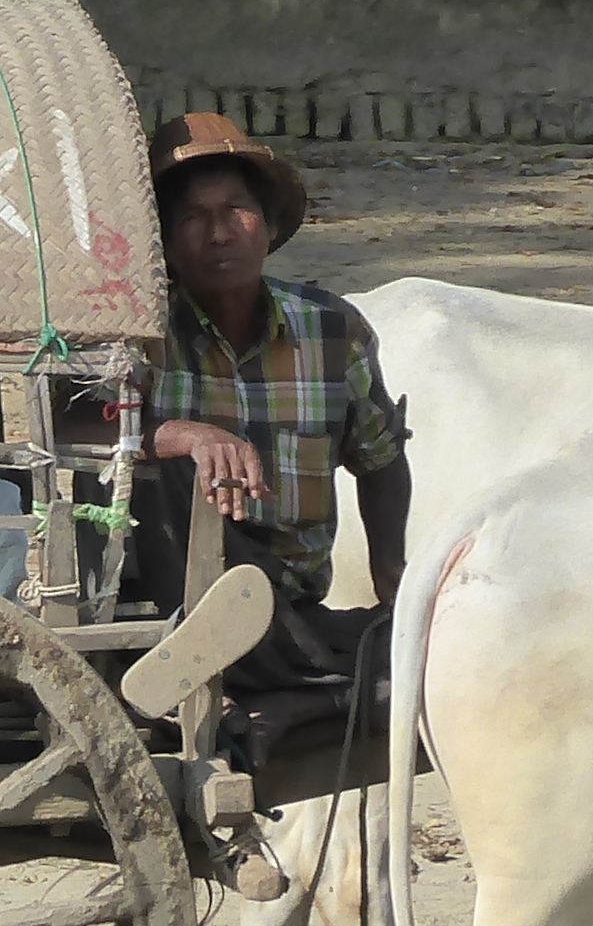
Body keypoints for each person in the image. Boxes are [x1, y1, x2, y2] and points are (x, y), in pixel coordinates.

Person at [133, 112, 411, 692]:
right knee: (167, 476)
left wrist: (391, 575)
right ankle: (303, 675)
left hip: (291, 605)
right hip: (174, 605)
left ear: (268, 224)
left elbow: (380, 459)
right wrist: (186, 436)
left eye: (237, 210)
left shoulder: (332, 330)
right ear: (164, 241)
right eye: (192, 217)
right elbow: (73, 423)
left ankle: (301, 679)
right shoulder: (138, 333)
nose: (219, 234)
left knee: (427, 639)